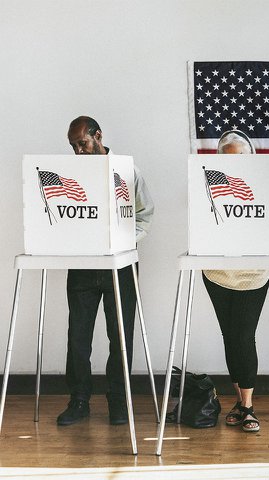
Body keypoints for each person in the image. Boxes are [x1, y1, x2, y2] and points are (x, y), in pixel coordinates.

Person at [57, 116, 154, 426]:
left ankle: (118, 401)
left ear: (98, 136)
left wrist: (123, 241)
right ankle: (79, 400)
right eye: (73, 147)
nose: (79, 152)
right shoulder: (70, 174)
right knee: (78, 335)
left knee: (121, 335)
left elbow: (145, 215)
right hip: (84, 264)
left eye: (83, 144)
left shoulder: (127, 171)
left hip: (121, 263)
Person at [201, 129, 268, 433]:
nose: (235, 164)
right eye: (228, 159)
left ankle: (250, 406)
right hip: (216, 273)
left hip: (252, 274)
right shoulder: (207, 186)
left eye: (240, 158)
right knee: (230, 336)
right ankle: (240, 403)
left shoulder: (264, 185)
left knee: (244, 336)